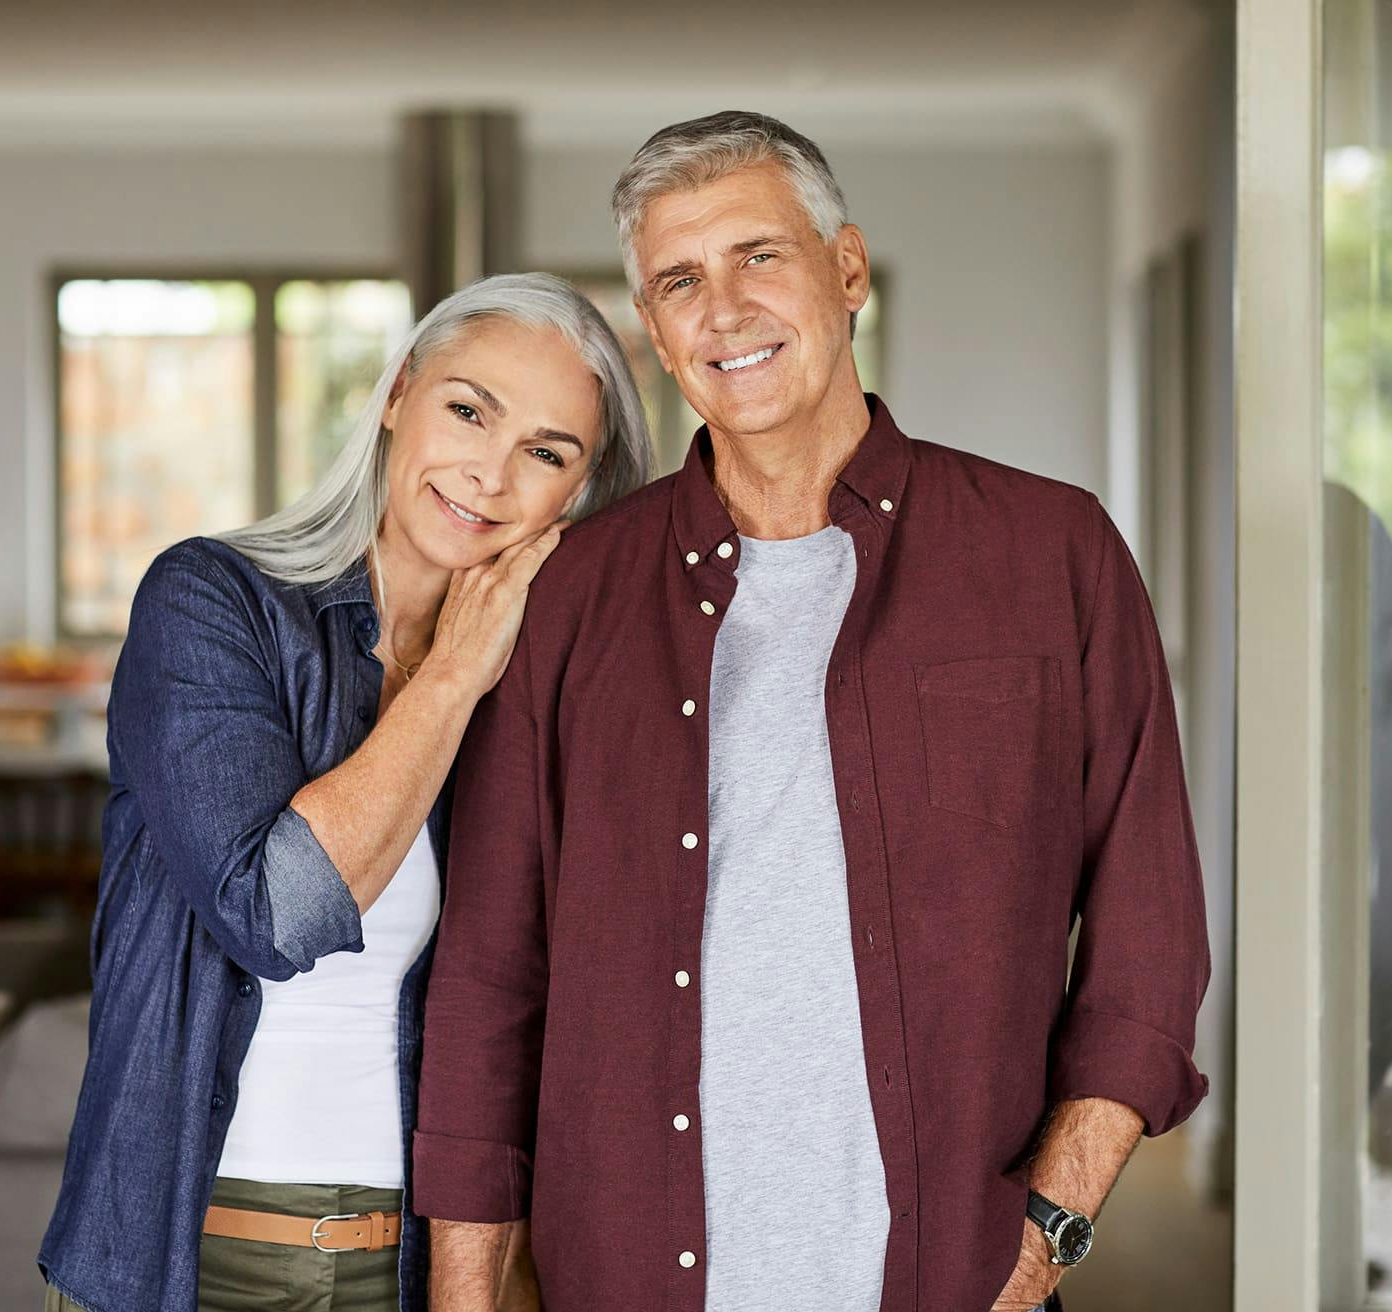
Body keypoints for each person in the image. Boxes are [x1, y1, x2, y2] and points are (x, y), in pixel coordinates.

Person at [414, 112, 1211, 1312]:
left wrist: (1045, 1228)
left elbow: (1149, 943)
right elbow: (488, 975)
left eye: (758, 257)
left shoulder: (1053, 554)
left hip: (951, 1284)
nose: (722, 308)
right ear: (656, 336)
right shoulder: (571, 592)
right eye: (679, 280)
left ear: (847, 271)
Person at [37, 273, 652, 1312]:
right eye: (470, 409)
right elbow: (275, 911)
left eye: (548, 452)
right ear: (399, 393)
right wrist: (454, 672)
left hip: (415, 1270)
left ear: (578, 500)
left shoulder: (541, 700)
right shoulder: (210, 603)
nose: (490, 474)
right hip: (181, 1263)